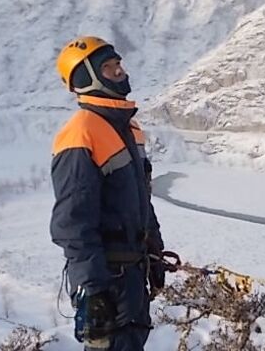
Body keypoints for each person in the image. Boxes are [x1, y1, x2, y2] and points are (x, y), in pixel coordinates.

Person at [50, 36, 165, 351]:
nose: (120, 72)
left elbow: (143, 200)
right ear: (87, 78)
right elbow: (71, 223)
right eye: (109, 67)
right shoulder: (81, 133)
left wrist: (154, 251)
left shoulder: (130, 128)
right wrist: (93, 288)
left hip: (132, 274)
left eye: (118, 64)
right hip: (107, 279)